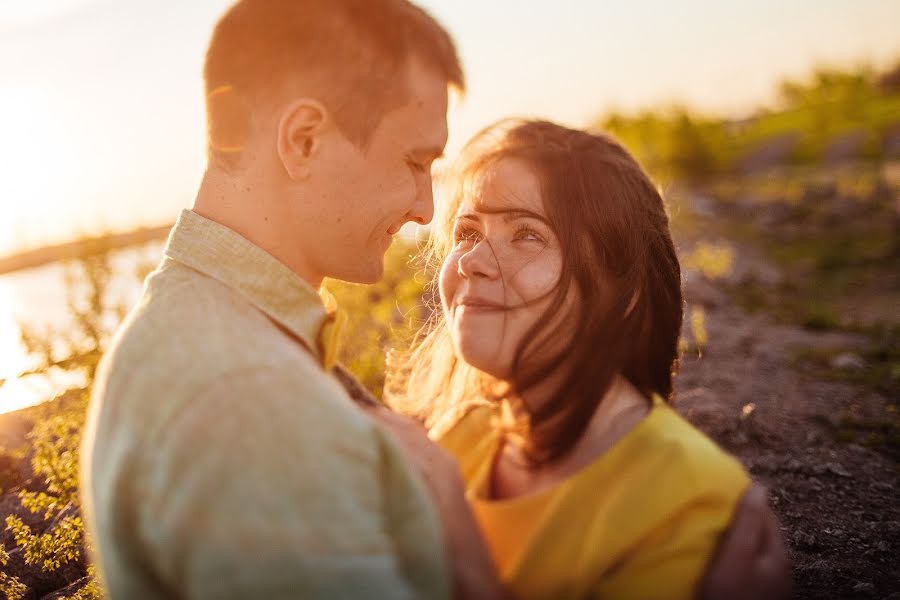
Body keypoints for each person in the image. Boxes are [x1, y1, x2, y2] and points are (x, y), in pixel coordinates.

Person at [81, 1, 504, 598]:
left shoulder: (196, 328)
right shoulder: (249, 398)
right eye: (415, 162)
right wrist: (467, 556)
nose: (424, 208)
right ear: (304, 140)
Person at [385, 119, 792, 599]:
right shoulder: (465, 437)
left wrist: (456, 538)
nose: (472, 259)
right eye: (468, 232)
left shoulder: (684, 500)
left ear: (624, 292)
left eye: (527, 235)